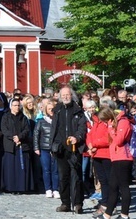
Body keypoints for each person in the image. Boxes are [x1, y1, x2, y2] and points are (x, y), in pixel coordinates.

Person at [51, 85, 87, 214]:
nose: (66, 97)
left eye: (68, 95)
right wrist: (52, 145)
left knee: (76, 177)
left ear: (72, 96)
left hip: (74, 148)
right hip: (61, 148)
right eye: (63, 95)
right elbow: (53, 129)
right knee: (63, 177)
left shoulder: (78, 110)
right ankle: (65, 203)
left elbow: (82, 128)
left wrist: (77, 137)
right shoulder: (57, 110)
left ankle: (77, 203)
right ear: (60, 97)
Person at [96, 107, 134, 219]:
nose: (104, 123)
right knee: (112, 186)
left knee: (124, 187)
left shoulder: (123, 122)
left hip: (123, 157)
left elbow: (119, 141)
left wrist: (111, 128)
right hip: (115, 157)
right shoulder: (114, 123)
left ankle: (124, 215)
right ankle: (107, 214)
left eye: (104, 120)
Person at [1, 98, 32, 194]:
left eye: (18, 105)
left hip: (21, 144)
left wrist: (19, 137)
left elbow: (27, 130)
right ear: (11, 106)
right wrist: (13, 137)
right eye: (15, 105)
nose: (17, 107)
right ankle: (11, 187)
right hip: (10, 145)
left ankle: (21, 187)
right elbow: (4, 129)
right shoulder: (5, 117)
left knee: (20, 168)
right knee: (10, 168)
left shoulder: (24, 117)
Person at [34, 98, 59, 199]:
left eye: (52, 109)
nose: (51, 111)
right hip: (44, 148)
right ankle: (48, 189)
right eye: (49, 109)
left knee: (55, 170)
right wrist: (36, 148)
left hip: (55, 149)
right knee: (46, 169)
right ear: (46, 110)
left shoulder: (58, 121)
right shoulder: (41, 121)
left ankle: (56, 189)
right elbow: (36, 135)